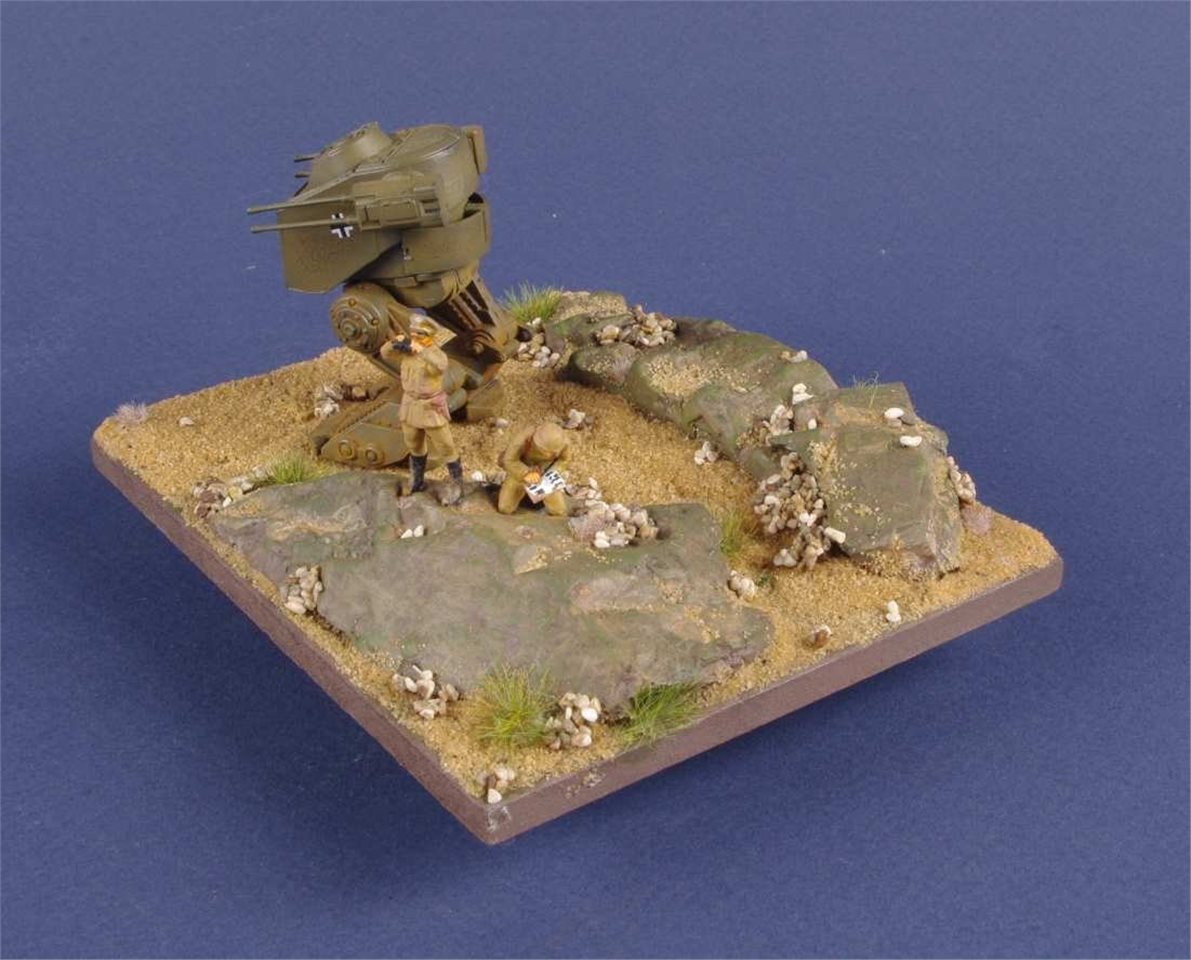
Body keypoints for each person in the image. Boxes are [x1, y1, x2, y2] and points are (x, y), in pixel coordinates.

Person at [384, 316, 463, 497]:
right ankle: (416, 481)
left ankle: (457, 485)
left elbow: (441, 365)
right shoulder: (408, 352)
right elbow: (385, 353)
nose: (415, 337)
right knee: (413, 443)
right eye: (413, 333)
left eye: (420, 334)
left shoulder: (435, 354)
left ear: (429, 336)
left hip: (430, 407)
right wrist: (395, 342)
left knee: (445, 446)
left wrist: (421, 350)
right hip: (410, 404)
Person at [497, 421, 572, 516]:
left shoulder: (563, 443)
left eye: (551, 453)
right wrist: (526, 473)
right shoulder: (523, 439)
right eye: (543, 451)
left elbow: (564, 460)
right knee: (505, 508)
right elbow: (509, 460)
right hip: (520, 470)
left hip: (545, 472)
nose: (547, 454)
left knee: (558, 510)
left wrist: (551, 473)